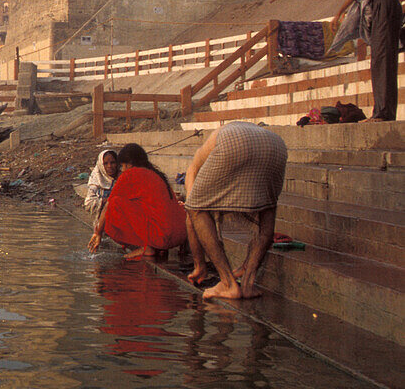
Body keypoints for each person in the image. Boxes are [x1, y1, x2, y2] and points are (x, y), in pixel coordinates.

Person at [183, 121, 288, 300]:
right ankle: (247, 285)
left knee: (195, 210)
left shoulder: (199, 157)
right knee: (268, 208)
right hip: (276, 145)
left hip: (235, 141)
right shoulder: (243, 131)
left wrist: (200, 264)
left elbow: (193, 203)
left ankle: (228, 284)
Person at [88, 144, 186, 260]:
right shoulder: (156, 174)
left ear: (129, 164)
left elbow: (108, 206)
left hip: (163, 237)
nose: (122, 170)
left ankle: (147, 248)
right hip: (180, 235)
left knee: (115, 203)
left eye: (122, 166)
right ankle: (152, 246)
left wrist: (98, 233)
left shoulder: (130, 174)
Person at [83, 148, 119, 215]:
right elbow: (88, 203)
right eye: (105, 163)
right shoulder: (96, 181)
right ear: (101, 165)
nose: (109, 166)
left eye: (112, 162)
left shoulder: (123, 178)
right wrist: (106, 201)